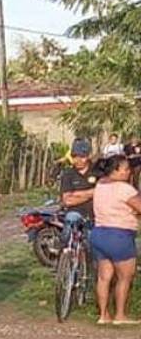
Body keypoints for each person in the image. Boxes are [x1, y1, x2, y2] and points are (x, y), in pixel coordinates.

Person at [89, 154, 141, 325]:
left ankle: (103, 315)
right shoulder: (124, 189)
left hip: (99, 234)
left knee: (104, 277)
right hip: (119, 236)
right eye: (125, 169)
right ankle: (120, 315)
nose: (128, 172)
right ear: (116, 170)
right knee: (125, 277)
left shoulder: (100, 185)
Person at [58, 138, 97, 246]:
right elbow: (67, 201)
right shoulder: (68, 174)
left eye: (82, 156)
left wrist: (76, 193)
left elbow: (104, 192)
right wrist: (91, 193)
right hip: (75, 212)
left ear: (89, 156)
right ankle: (66, 254)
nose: (78, 160)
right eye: (75, 156)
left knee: (92, 244)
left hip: (95, 215)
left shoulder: (98, 171)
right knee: (69, 224)